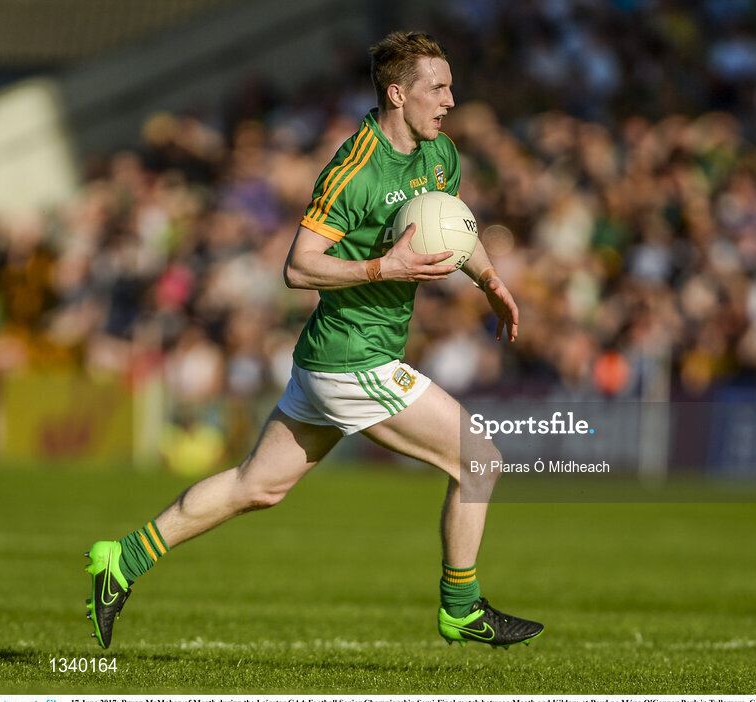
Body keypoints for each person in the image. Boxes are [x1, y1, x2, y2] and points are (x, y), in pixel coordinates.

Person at [84, 31, 543, 650]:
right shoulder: (353, 168)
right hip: (354, 360)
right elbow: (298, 267)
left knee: (258, 486)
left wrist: (489, 280)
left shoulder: (442, 156)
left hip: (336, 357)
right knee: (479, 459)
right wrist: (385, 269)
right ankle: (461, 609)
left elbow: (457, 228)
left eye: (452, 86)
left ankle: (121, 560)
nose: (451, 100)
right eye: (439, 87)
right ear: (397, 92)